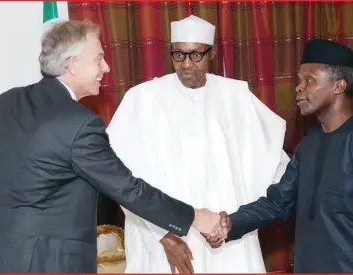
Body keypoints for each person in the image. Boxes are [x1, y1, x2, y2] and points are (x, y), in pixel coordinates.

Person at [0, 20, 224, 273]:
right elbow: (128, 189)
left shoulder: (5, 103)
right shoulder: (80, 124)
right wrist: (195, 217)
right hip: (44, 264)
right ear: (73, 64)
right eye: (99, 58)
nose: (106, 68)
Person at [205, 39, 353, 273]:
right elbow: (279, 202)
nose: (298, 87)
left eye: (309, 80)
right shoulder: (308, 145)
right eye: (299, 80)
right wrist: (231, 223)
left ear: (338, 86)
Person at [106, 15, 290, 273]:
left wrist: (234, 223)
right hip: (164, 240)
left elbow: (273, 165)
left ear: (211, 53)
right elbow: (117, 178)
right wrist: (163, 235)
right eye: (178, 55)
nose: (186, 64)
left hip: (227, 242)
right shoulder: (141, 99)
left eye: (195, 55)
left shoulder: (236, 96)